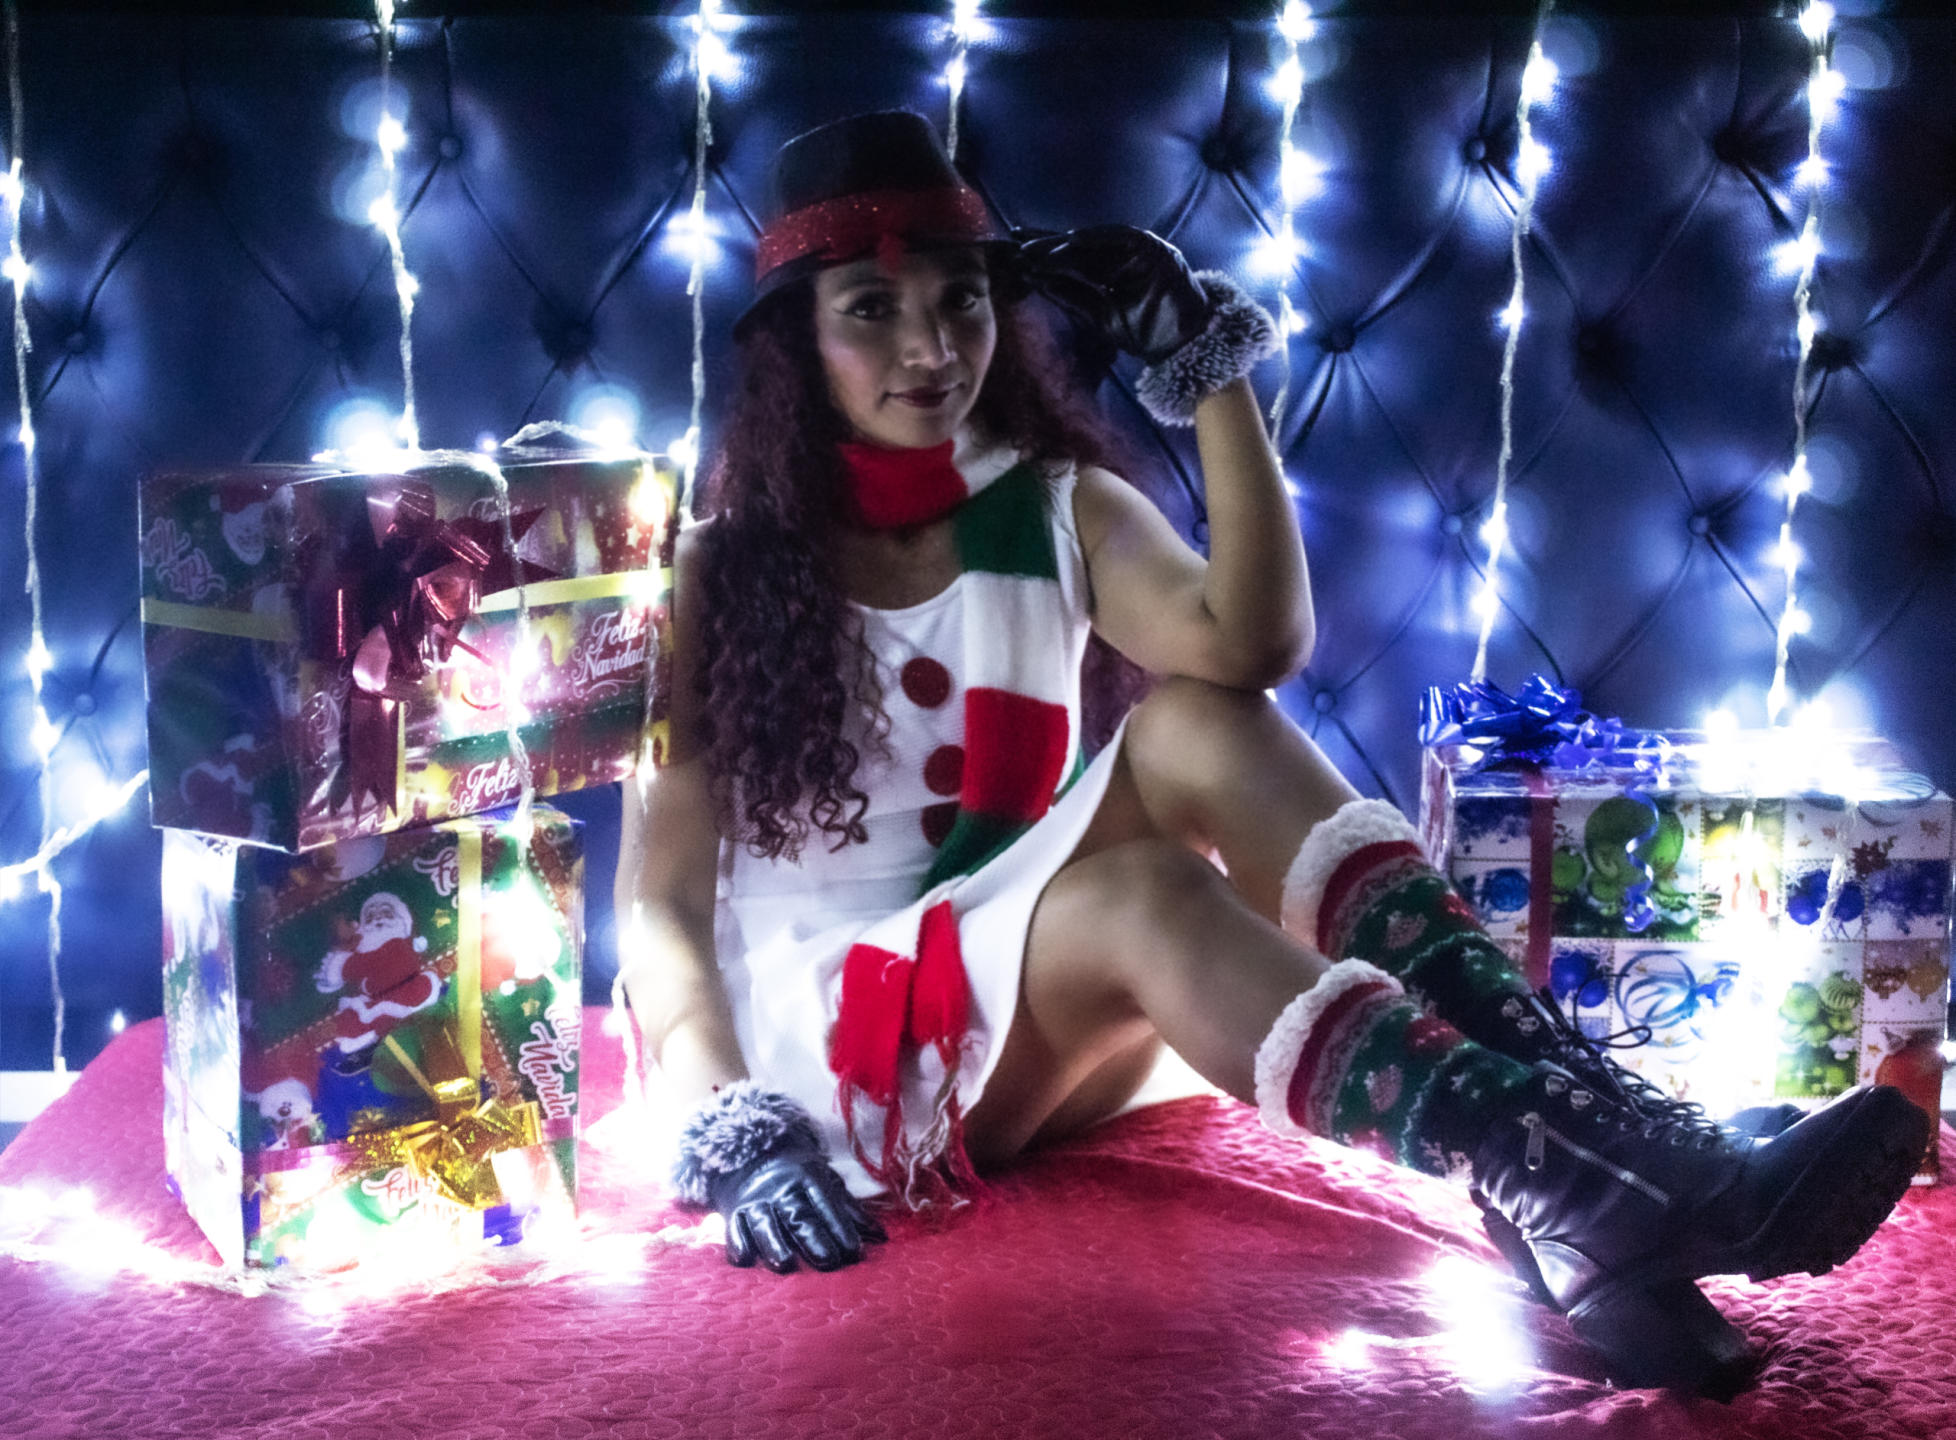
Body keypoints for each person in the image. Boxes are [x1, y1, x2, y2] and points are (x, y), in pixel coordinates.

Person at [615, 110, 1928, 1395]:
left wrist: (1207, 370)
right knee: (1147, 894)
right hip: (836, 1051)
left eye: (961, 300)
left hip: (1014, 982)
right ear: (797, 346)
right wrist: (735, 1131)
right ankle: (1589, 1184)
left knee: (1198, 718)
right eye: (870, 310)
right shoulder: (711, 571)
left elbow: (1249, 642)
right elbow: (661, 907)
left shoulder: (1051, 502)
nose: (930, 347)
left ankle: (1600, 1157)